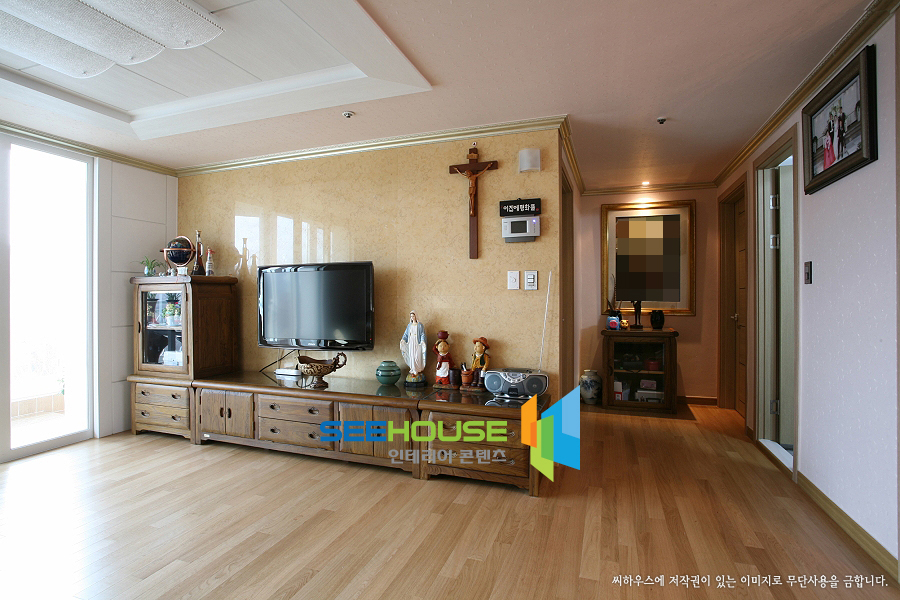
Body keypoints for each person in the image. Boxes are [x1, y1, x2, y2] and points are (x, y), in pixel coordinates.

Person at [400, 311, 427, 385]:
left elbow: (422, 334)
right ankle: (413, 369)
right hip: (411, 342)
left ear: (416, 316)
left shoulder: (420, 325)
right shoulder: (409, 325)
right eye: (411, 316)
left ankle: (418, 369)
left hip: (417, 342)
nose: (412, 317)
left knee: (417, 356)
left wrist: (422, 341)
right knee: (412, 355)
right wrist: (403, 340)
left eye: (413, 316)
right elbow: (406, 334)